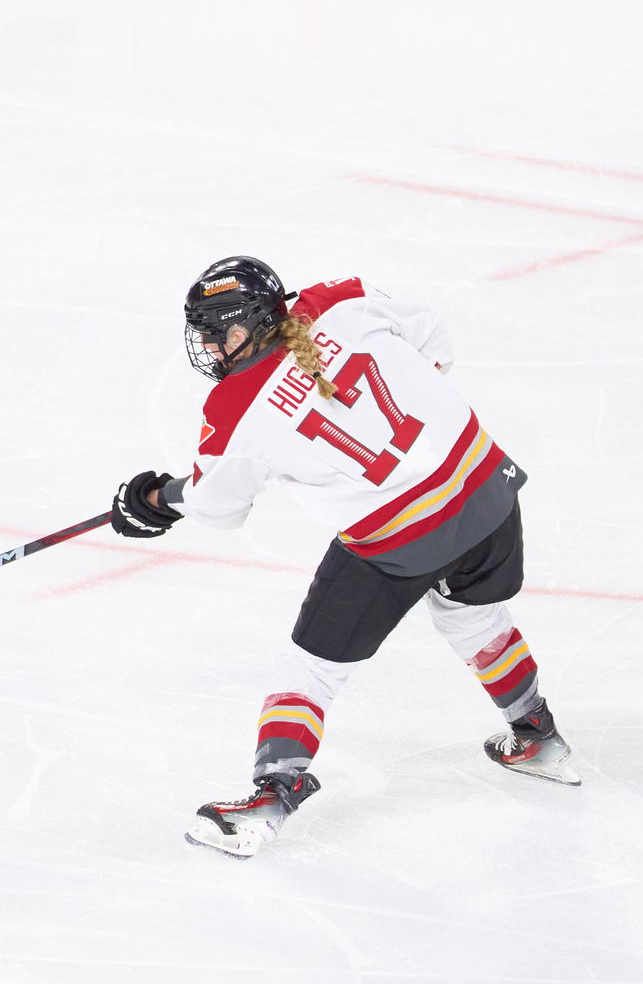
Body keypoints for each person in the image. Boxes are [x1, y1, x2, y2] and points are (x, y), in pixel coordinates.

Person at [110, 256, 578, 859]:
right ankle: (536, 734)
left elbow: (218, 505)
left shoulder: (234, 409)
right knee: (472, 616)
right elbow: (431, 335)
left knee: (309, 668)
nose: (206, 346)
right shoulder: (341, 300)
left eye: (212, 332)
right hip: (487, 490)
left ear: (245, 324)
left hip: (398, 539)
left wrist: (157, 497)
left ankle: (270, 798)